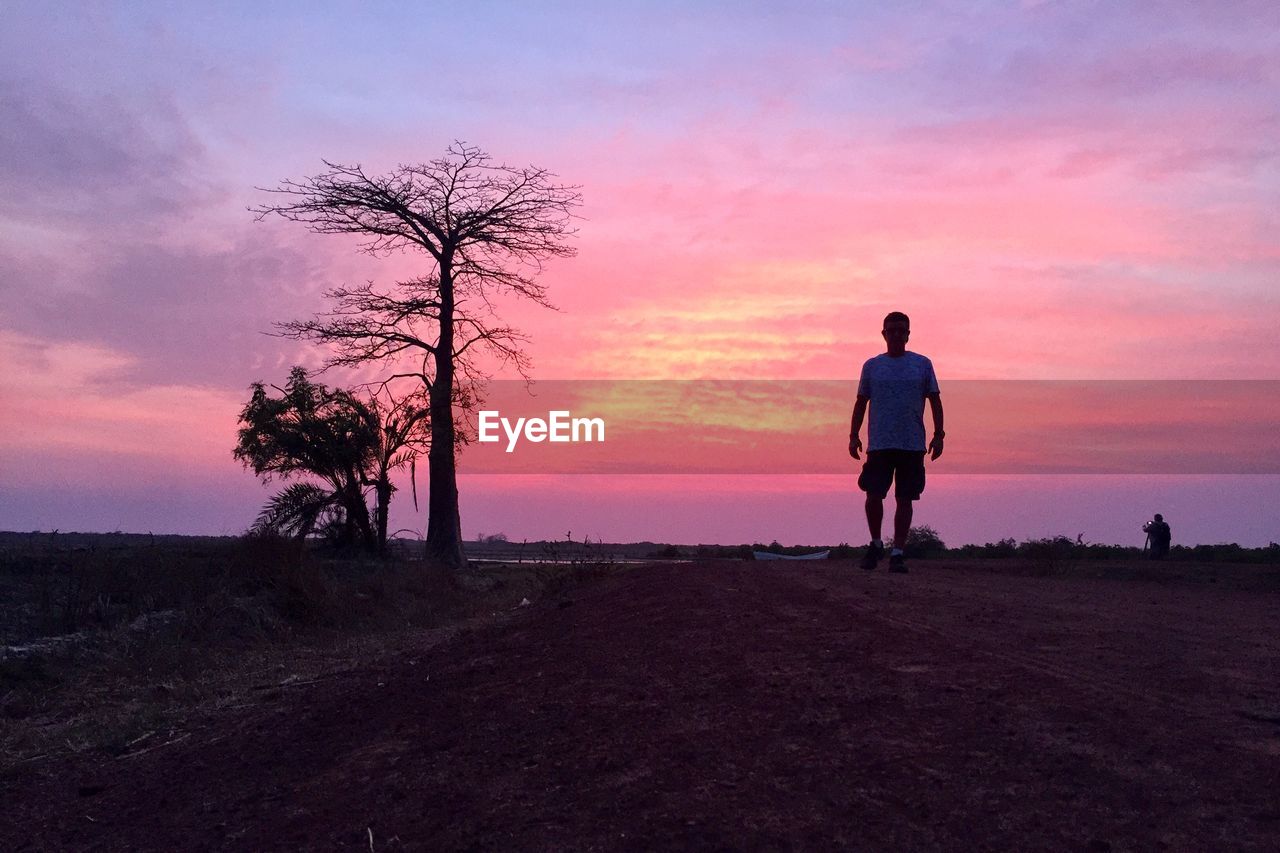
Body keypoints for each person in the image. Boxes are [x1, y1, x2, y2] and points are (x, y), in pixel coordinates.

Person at [848, 312, 944, 573]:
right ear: (884, 334)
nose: (896, 335)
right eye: (891, 331)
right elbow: (861, 401)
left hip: (912, 443)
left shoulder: (922, 364)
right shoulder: (872, 366)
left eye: (901, 330)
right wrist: (853, 435)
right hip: (879, 442)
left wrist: (939, 435)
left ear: (908, 334)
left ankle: (898, 552)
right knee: (873, 494)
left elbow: (935, 399)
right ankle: (876, 543)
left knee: (905, 498)